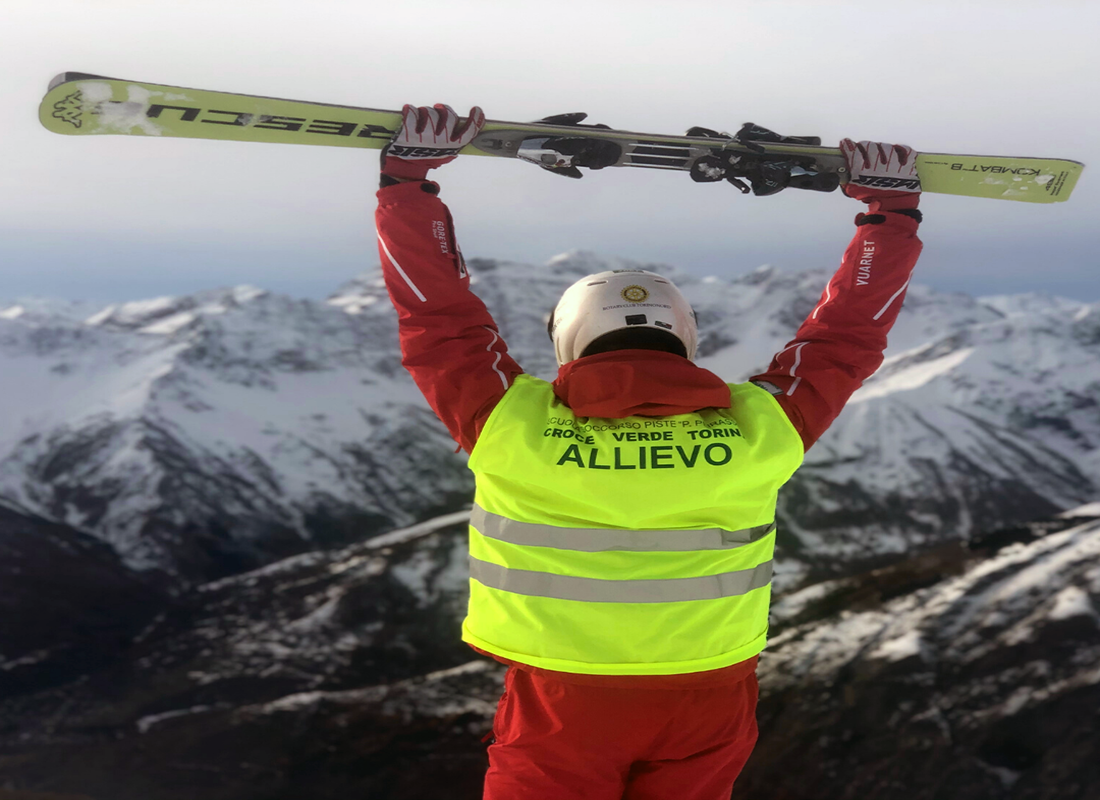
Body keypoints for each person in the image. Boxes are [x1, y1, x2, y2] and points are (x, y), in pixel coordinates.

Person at [374, 104, 923, 800]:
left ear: (569, 339)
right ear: (685, 336)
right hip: (711, 694)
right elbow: (847, 337)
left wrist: (407, 188)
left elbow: (437, 318)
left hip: (565, 699)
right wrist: (889, 218)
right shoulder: (763, 426)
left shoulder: (509, 423)